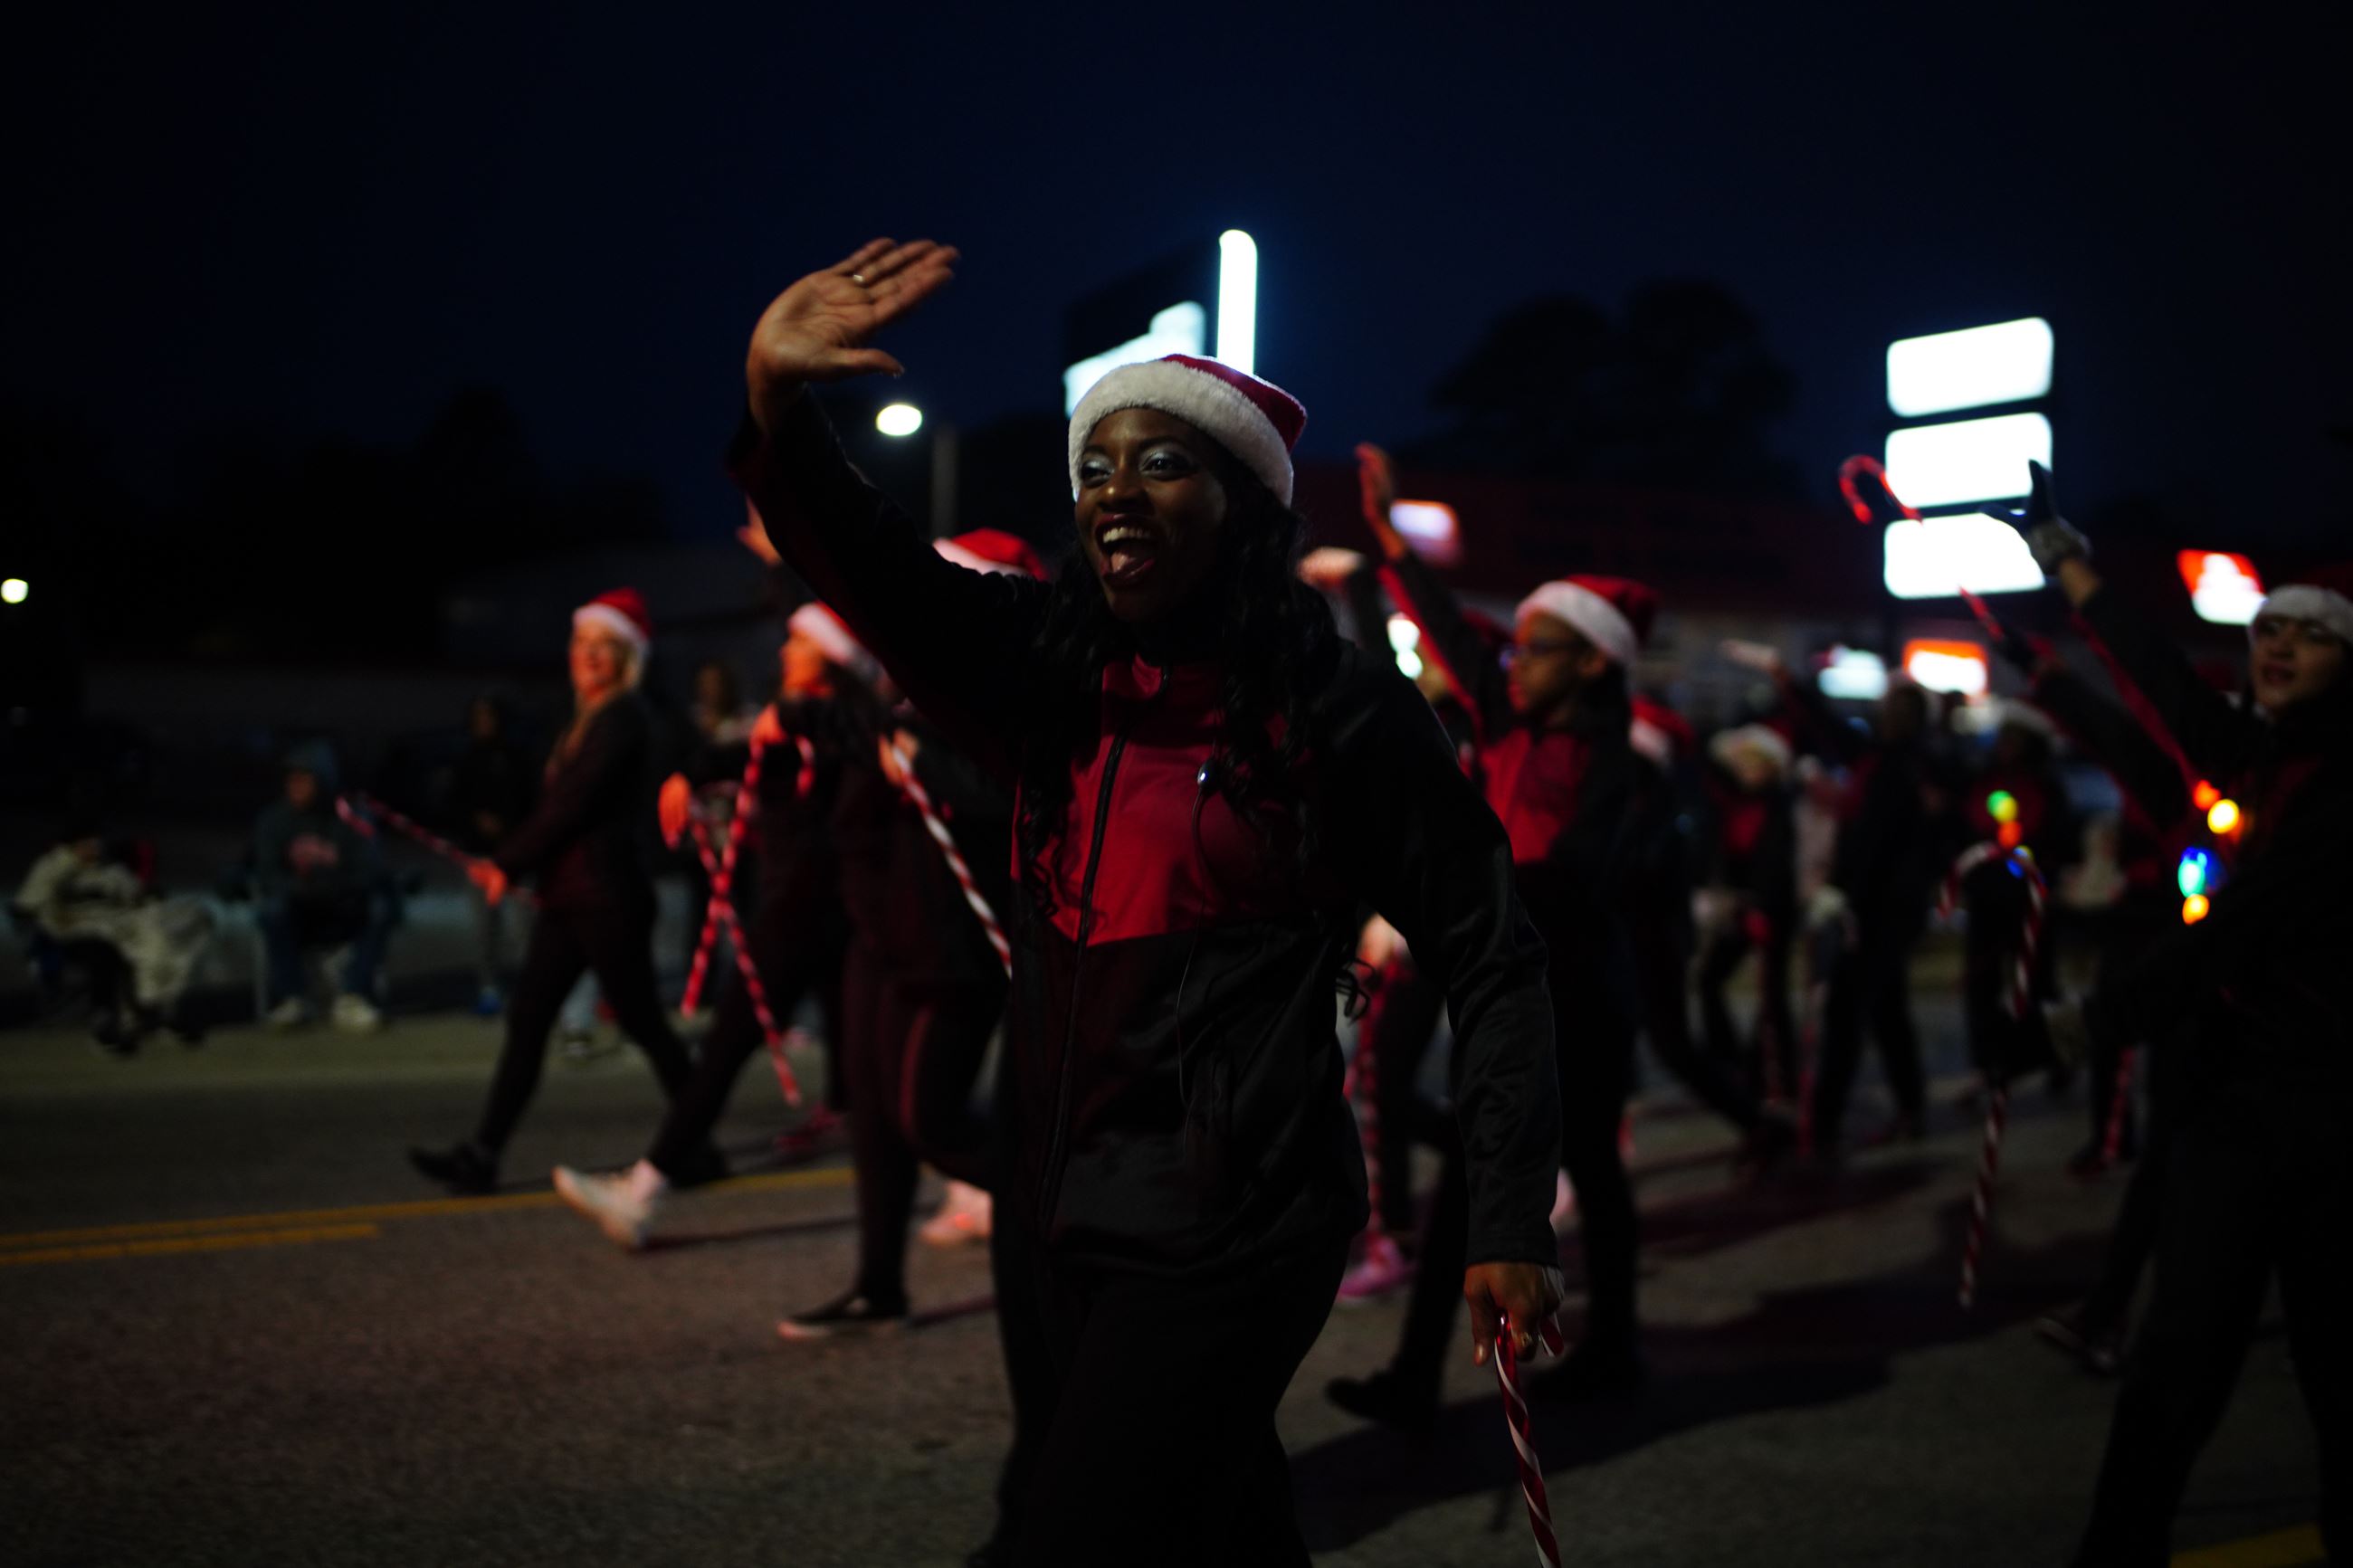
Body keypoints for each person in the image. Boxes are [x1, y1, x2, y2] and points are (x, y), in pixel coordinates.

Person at [735, 238, 1563, 1568]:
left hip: (1234, 1227)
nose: (1117, 489)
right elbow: (877, 570)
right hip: (1061, 1207)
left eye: (1163, 461)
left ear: (1242, 504)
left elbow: (1494, 954)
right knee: (1222, 1530)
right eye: (1096, 467)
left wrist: (1511, 1217)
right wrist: (782, 405)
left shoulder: (1339, 715)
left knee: (1076, 1540)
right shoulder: (1043, 676)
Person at [1991, 467, 2351, 1565]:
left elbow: (2236, 935)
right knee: (2175, 1355)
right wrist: (2064, 559)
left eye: (2306, 633)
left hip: (2333, 1115)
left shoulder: (2340, 783)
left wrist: (2074, 1026)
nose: (2274, 643)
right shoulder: (2265, 749)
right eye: (2265, 628)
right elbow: (2161, 704)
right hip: (2238, 1102)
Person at [1325, 443, 1655, 1431]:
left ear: (1594, 659)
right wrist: (1390, 539)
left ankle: (1598, 1348)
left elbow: (1576, 883)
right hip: (1498, 982)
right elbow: (1449, 634)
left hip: (1576, 997)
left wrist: (1465, 893)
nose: (1512, 658)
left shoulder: (1619, 766)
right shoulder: (1508, 720)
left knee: (1577, 1167)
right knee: (1483, 1167)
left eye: (1539, 644)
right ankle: (1426, 1373)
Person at [778, 538, 1034, 1337]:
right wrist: (715, 759)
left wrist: (924, 761)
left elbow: (1010, 793)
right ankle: (879, 1285)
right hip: (882, 939)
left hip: (952, 955)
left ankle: (1079, 1223)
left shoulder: (1005, 698)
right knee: (878, 1124)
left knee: (933, 1120)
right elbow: (846, 730)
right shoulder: (907, 694)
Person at [409, 589, 696, 1196]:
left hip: (605, 895)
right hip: (574, 896)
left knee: (645, 1024)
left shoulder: (623, 718)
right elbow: (559, 808)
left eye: (604, 647)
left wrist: (507, 863)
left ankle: (698, 1144)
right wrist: (519, 862)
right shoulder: (587, 718)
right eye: (582, 645)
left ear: (626, 657)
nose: (589, 657)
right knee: (530, 1021)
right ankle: (482, 1154)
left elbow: (573, 804)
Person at [1729, 642, 1948, 1153]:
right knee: (1886, 1011)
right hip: (1879, 908)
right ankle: (1908, 1106)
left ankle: (1822, 1127)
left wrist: (1842, 893)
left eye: (1896, 709)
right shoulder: (1885, 760)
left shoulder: (1905, 770)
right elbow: (1827, 725)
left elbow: (1880, 844)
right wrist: (1788, 676)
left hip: (1877, 911)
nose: (1884, 714)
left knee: (1849, 1014)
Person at [14, 819, 213, 1050]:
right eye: (87, 844)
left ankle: (154, 1012)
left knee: (162, 941)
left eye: (95, 844)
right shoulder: (53, 868)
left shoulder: (108, 870)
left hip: (120, 928)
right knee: (104, 954)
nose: (93, 849)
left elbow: (136, 896)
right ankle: (106, 1020)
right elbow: (28, 906)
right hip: (74, 935)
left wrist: (145, 900)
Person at [252, 742, 396, 1031]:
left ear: (323, 781)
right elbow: (267, 872)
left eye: (304, 780)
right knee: (272, 911)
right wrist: (299, 888)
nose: (296, 787)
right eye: (291, 780)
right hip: (300, 909)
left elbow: (368, 869)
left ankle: (353, 996)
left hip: (343, 907)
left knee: (382, 909)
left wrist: (332, 885)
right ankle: (293, 998)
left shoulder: (351, 817)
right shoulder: (275, 820)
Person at [1695, 722, 1800, 1114]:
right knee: (1710, 979)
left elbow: (1778, 862)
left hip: (1772, 910)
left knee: (1773, 996)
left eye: (1756, 762)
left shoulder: (1779, 806)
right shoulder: (1734, 802)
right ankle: (1729, 1058)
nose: (1747, 769)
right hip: (1740, 906)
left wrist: (1764, 907)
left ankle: (1779, 1078)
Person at [448, 694, 535, 1014]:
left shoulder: (518, 758)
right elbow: (453, 805)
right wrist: (475, 823)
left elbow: (531, 802)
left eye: (490, 716)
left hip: (516, 855)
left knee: (524, 926)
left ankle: (532, 988)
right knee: (485, 928)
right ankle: (489, 987)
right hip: (477, 857)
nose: (484, 723)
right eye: (478, 716)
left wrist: (511, 830)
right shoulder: (464, 758)